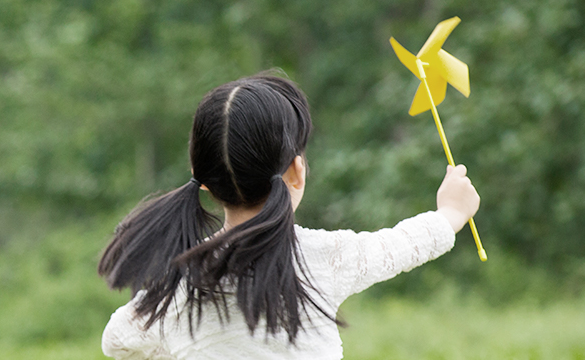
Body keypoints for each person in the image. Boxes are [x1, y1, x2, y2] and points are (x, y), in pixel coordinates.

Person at [98, 74, 480, 360]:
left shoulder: (181, 282)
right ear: (296, 172)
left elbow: (116, 340)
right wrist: (450, 212)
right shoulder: (324, 257)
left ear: (205, 185)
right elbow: (401, 245)